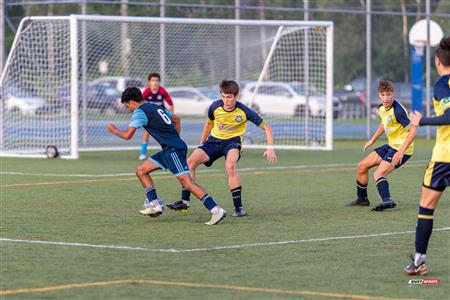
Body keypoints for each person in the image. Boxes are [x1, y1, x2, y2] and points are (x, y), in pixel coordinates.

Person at [108, 87, 226, 225]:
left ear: (132, 102)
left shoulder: (139, 112)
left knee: (187, 183)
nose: (128, 109)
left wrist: (114, 130)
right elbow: (176, 119)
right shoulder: (154, 106)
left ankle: (215, 210)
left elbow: (128, 135)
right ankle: (154, 204)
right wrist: (174, 138)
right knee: (141, 170)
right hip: (170, 149)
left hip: (173, 150)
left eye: (127, 105)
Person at [167, 80, 277, 217]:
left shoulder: (244, 111)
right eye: (223, 96)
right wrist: (201, 143)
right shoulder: (214, 107)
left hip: (233, 143)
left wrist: (270, 147)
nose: (226, 100)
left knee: (230, 166)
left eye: (229, 97)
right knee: (190, 163)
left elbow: (266, 127)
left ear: (236, 97)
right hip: (213, 141)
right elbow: (208, 125)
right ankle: (185, 203)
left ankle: (239, 208)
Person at [404, 37, 450, 275]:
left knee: (426, 206)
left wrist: (422, 120)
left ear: (437, 61)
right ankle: (419, 261)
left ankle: (420, 260)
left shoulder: (443, 85)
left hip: (445, 158)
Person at [345, 79, 417, 211]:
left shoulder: (398, 111)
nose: (386, 98)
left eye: (388, 94)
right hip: (391, 145)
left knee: (378, 174)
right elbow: (384, 124)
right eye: (383, 95)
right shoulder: (381, 108)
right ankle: (362, 199)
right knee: (362, 166)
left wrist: (401, 151)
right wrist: (372, 140)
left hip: (403, 149)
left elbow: (413, 132)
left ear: (393, 94)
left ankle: (387, 200)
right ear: (379, 95)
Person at [139, 72, 174, 160]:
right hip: (149, 117)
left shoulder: (162, 91)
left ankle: (170, 151)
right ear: (149, 82)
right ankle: (143, 153)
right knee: (146, 134)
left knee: (166, 134)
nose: (155, 82)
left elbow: (170, 104)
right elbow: (140, 105)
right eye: (153, 80)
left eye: (157, 80)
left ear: (159, 82)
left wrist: (170, 116)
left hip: (161, 117)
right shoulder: (146, 92)